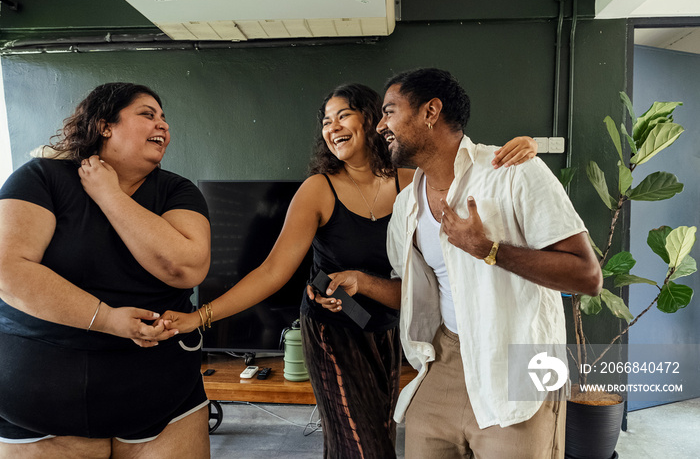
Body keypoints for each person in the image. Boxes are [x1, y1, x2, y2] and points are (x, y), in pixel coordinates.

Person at [162, 82, 537, 459]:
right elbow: (273, 270)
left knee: (370, 438)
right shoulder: (318, 189)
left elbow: (474, 175)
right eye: (326, 121)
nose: (332, 127)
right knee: (365, 450)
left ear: (372, 120)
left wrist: (523, 151)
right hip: (333, 334)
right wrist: (201, 317)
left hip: (389, 332)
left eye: (343, 115)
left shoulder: (409, 182)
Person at [378, 68, 603, 459]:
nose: (382, 124)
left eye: (390, 111)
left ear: (430, 111)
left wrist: (489, 250)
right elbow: (412, 288)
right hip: (444, 361)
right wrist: (357, 284)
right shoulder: (406, 206)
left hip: (518, 364)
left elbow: (587, 275)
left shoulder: (514, 172)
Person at [0, 83, 212, 458]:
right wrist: (109, 320)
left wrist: (108, 194)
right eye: (147, 114)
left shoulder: (177, 191)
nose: (162, 124)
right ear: (104, 126)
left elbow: (185, 268)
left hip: (163, 406)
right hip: (41, 413)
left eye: (164, 117)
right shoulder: (41, 178)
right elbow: (8, 269)